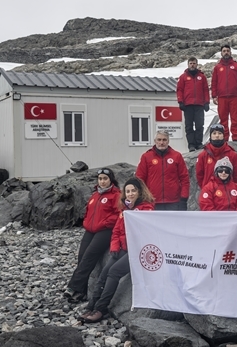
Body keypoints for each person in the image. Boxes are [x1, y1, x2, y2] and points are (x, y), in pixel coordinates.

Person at [80, 177, 155, 323]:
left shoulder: (147, 209)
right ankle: (92, 305)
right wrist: (115, 246)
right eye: (128, 191)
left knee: (114, 272)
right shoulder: (124, 209)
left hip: (137, 251)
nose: (131, 194)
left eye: (134, 190)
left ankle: (101, 309)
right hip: (123, 248)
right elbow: (116, 231)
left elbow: (147, 233)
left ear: (140, 192)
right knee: (103, 274)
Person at [63, 169, 122, 303]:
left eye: (105, 179)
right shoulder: (95, 195)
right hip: (91, 229)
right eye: (100, 178)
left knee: (90, 255)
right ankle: (82, 291)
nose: (102, 181)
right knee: (82, 256)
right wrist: (86, 222)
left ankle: (73, 287)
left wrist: (105, 223)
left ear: (111, 180)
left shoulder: (116, 195)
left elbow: (118, 214)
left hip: (105, 230)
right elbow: (89, 211)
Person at [136, 131, 189, 211]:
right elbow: (139, 179)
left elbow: (184, 178)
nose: (161, 142)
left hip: (173, 202)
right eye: (159, 139)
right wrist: (141, 197)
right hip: (152, 201)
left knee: (173, 223)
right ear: (155, 141)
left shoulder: (177, 156)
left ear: (168, 141)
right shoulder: (146, 157)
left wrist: (184, 198)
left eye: (164, 140)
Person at [211, 45, 237, 142]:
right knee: (223, 120)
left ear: (230, 52)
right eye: (224, 51)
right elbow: (214, 82)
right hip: (222, 98)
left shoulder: (236, 66)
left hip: (234, 97)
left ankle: (235, 138)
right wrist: (214, 96)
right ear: (221, 53)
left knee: (235, 119)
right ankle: (224, 139)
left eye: (227, 51)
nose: (226, 52)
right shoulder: (217, 67)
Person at [177, 57, 210, 151]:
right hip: (188, 105)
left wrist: (207, 102)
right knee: (189, 126)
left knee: (199, 125)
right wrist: (180, 101)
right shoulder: (183, 77)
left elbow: (205, 90)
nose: (192, 65)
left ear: (197, 64)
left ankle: (199, 143)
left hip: (199, 105)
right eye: (191, 63)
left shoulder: (202, 77)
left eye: (194, 63)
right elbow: (179, 90)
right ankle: (191, 144)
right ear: (188, 64)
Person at [195, 123, 237, 189]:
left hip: (227, 193)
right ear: (210, 136)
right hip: (209, 193)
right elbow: (199, 176)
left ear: (223, 135)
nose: (217, 136)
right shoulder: (203, 155)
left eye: (219, 133)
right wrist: (205, 188)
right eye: (214, 133)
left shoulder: (232, 155)